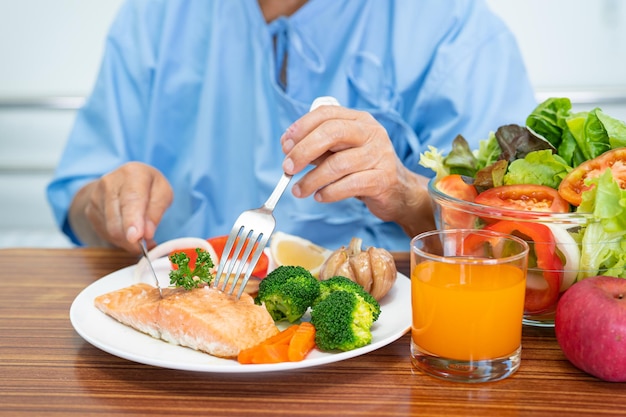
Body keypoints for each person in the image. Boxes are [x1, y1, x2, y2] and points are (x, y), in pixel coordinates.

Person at [47, 0, 537, 255]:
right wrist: (105, 204)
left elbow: (514, 235)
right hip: (173, 344)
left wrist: (408, 196)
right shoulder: (155, 16)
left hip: (386, 359)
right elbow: (79, 202)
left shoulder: (452, 27)